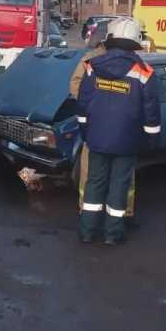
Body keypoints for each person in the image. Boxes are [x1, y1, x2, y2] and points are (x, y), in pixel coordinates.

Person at [76, 18, 160, 245]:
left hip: (97, 139)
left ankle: (87, 231)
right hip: (127, 141)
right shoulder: (145, 72)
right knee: (119, 186)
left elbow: (82, 106)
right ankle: (112, 235)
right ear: (135, 42)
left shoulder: (92, 67)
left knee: (94, 183)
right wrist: (152, 140)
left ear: (110, 39)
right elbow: (151, 113)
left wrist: (86, 133)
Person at [70, 21, 136, 222]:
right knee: (118, 177)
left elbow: (76, 88)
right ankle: (112, 215)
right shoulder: (93, 60)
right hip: (120, 130)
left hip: (96, 128)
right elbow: (76, 86)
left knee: (94, 175)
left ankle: (92, 216)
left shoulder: (94, 60)